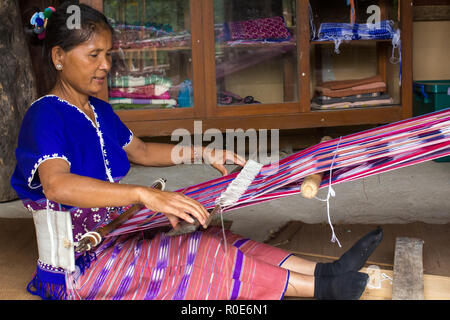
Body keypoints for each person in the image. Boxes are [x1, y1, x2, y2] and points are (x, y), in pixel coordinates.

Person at [11, 2, 382, 300]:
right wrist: (144, 195)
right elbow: (57, 185)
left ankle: (323, 271)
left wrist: (203, 153)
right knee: (199, 257)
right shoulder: (45, 115)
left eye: (108, 54)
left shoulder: (98, 109)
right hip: (80, 265)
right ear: (59, 57)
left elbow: (138, 150)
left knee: (216, 239)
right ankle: (323, 291)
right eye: (94, 55)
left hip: (118, 235)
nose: (106, 65)